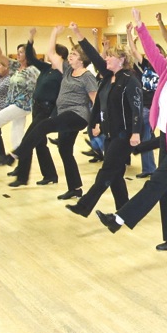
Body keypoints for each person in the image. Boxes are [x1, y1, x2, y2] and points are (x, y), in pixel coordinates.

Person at [95, 8, 167, 252]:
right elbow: (151, 51)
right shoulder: (166, 74)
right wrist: (140, 26)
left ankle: (119, 219)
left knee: (156, 182)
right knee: (165, 190)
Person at [6, 26, 97, 199]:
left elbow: (96, 101)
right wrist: (54, 33)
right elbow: (50, 52)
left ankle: (17, 154)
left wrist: (96, 123)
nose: (70, 56)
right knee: (64, 150)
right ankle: (75, 188)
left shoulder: (87, 76)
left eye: (74, 55)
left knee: (44, 125)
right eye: (70, 53)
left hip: (77, 116)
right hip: (65, 115)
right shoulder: (68, 71)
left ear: (82, 59)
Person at [65, 22, 142, 218]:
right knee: (115, 174)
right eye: (107, 56)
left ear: (122, 59)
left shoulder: (130, 80)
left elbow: (137, 108)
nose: (106, 59)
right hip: (110, 133)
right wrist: (77, 33)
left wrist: (135, 132)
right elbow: (93, 56)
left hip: (124, 135)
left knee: (106, 171)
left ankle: (84, 205)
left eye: (111, 56)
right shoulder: (109, 77)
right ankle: (125, 210)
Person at [9, 28, 66, 186]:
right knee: (40, 143)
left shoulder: (62, 72)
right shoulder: (47, 68)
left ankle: (21, 178)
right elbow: (31, 58)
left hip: (47, 111)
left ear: (60, 56)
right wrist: (31, 38)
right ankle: (50, 176)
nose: (49, 55)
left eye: (53, 53)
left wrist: (54, 34)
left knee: (28, 139)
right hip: (37, 108)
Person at [0, 29, 39, 151]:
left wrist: (31, 37)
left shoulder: (33, 70)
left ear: (28, 54)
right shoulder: (16, 67)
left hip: (22, 105)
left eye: (21, 52)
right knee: (16, 133)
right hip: (14, 104)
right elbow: (0, 55)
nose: (18, 54)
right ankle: (21, 160)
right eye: (17, 52)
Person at [127, 22, 159, 179]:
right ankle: (149, 168)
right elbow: (133, 51)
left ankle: (134, 149)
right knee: (145, 135)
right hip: (143, 105)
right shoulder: (146, 65)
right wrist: (129, 33)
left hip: (153, 107)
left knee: (134, 126)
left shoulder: (164, 69)